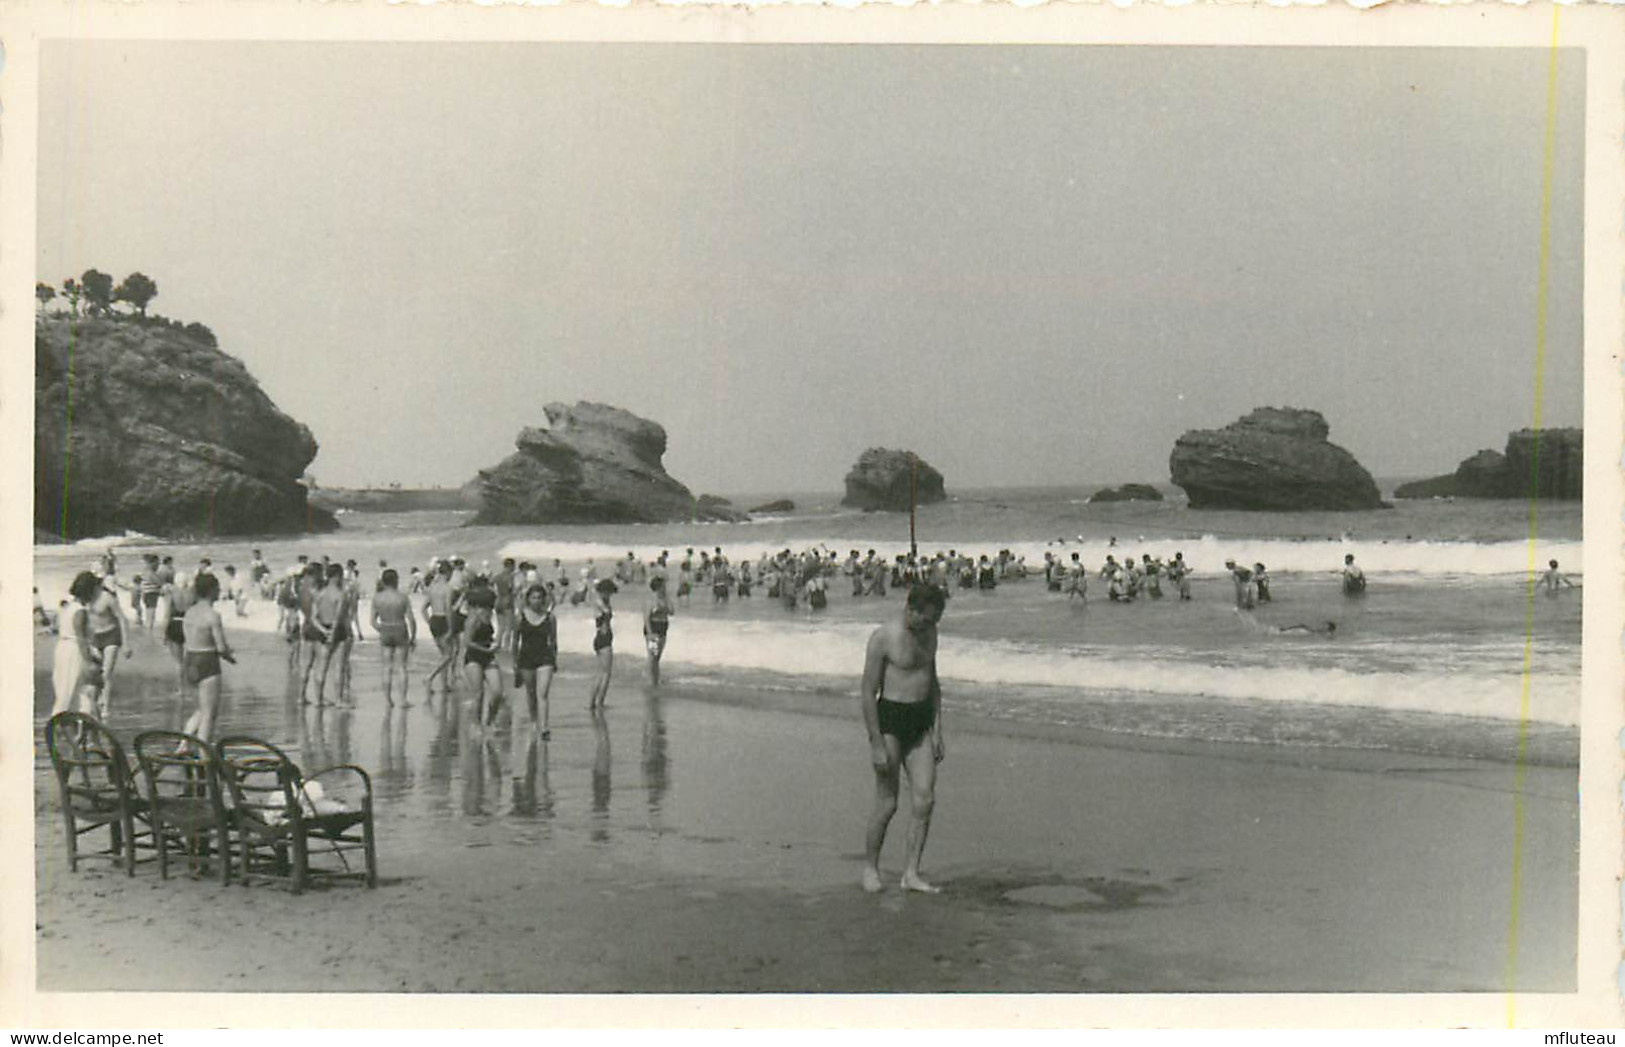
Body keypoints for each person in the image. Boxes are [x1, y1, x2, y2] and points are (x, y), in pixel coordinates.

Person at [859, 583, 947, 894]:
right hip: (891, 721)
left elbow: (933, 683)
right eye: (926, 619)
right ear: (910, 609)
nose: (930, 626)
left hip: (920, 720)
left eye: (935, 621)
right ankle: (870, 868)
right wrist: (876, 743)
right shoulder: (885, 637)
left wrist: (937, 729)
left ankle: (911, 873)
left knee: (925, 800)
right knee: (887, 803)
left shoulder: (931, 634)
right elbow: (868, 692)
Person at [181, 571, 236, 742]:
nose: (220, 592)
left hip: (189, 660)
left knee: (200, 709)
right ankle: (204, 754)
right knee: (209, 714)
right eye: (218, 588)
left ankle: (183, 744)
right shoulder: (213, 615)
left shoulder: (189, 612)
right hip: (207, 663)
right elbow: (220, 647)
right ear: (211, 590)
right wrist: (230, 656)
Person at [52, 572, 106, 717]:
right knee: (73, 691)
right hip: (74, 650)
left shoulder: (69, 607)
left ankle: (67, 726)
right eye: (97, 588)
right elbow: (81, 637)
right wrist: (89, 662)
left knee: (66, 690)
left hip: (64, 648)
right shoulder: (80, 611)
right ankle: (63, 724)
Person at [86, 569, 133, 719]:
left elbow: (122, 619)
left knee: (106, 673)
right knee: (95, 673)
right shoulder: (85, 599)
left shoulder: (107, 598)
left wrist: (126, 644)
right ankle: (96, 702)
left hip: (111, 636)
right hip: (95, 637)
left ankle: (105, 705)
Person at [513, 584, 559, 739]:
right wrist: (515, 664)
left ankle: (544, 726)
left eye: (540, 597)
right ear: (528, 599)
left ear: (544, 599)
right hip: (526, 658)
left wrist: (554, 659)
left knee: (543, 693)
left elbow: (553, 641)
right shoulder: (520, 617)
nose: (537, 601)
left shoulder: (550, 618)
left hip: (545, 657)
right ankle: (534, 720)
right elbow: (514, 641)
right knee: (531, 693)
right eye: (533, 597)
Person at [372, 568, 416, 706]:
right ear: (396, 580)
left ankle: (387, 700)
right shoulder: (403, 597)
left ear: (383, 582)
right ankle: (402, 700)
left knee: (386, 667)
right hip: (400, 628)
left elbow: (373, 622)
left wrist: (382, 630)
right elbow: (411, 620)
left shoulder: (377, 598)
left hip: (385, 628)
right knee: (401, 667)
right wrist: (413, 637)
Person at [461, 585, 502, 728]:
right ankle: (476, 724)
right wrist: (487, 650)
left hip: (488, 657)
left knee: (497, 692)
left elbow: (496, 634)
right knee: (478, 693)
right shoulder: (473, 619)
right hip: (473, 658)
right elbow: (467, 642)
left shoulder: (491, 617)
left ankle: (490, 721)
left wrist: (496, 643)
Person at [588, 578, 617, 710]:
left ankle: (593, 702)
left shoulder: (600, 601)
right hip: (603, 637)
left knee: (600, 673)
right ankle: (600, 702)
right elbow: (606, 614)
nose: (610, 595)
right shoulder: (600, 602)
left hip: (600, 637)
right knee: (606, 673)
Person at [643, 575, 674, 687]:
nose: (665, 589)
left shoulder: (666, 599)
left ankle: (655, 678)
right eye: (663, 587)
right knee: (652, 656)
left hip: (663, 628)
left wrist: (667, 601)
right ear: (658, 587)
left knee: (657, 656)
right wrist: (650, 633)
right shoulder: (650, 600)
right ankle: (651, 680)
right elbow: (646, 618)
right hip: (653, 628)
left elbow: (672, 612)